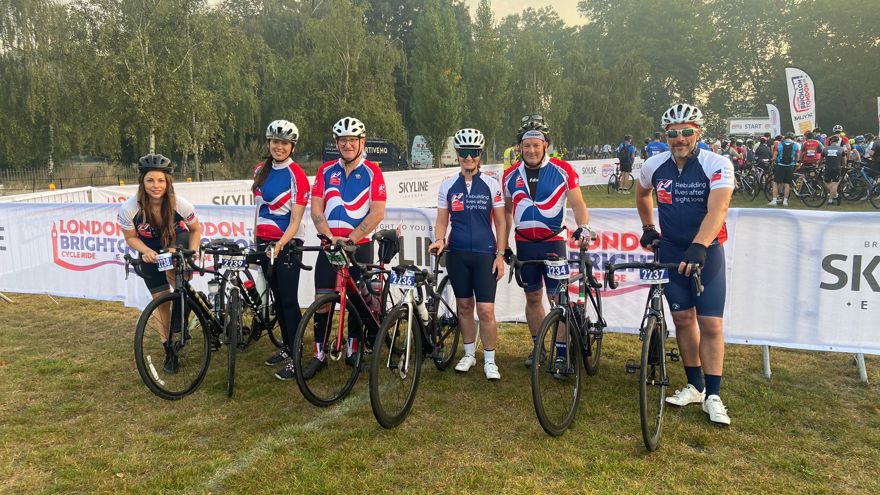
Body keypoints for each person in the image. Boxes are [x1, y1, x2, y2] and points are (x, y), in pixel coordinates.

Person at [636, 103, 734, 426]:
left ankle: (714, 395)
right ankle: (694, 385)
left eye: (686, 132)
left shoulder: (716, 164)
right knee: (681, 319)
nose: (680, 138)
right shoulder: (654, 165)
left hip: (706, 252)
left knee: (710, 324)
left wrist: (699, 246)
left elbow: (717, 210)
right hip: (672, 250)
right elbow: (642, 195)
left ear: (698, 133)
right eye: (673, 133)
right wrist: (649, 228)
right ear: (666, 136)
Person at [502, 121, 593, 369]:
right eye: (526, 146)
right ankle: (539, 347)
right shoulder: (509, 175)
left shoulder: (562, 170)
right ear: (520, 147)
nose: (531, 150)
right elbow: (507, 213)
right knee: (533, 297)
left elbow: (577, 203)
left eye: (536, 145)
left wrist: (583, 226)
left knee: (558, 299)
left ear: (546, 146)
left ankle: (562, 353)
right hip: (525, 245)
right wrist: (504, 246)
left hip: (553, 243)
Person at [306, 116, 386, 378]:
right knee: (323, 301)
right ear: (336, 143)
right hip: (330, 246)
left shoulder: (373, 171)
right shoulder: (326, 171)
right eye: (343, 140)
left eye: (353, 139)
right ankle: (320, 354)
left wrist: (351, 239)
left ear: (362, 142)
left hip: (358, 246)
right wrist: (329, 236)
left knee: (356, 300)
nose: (348, 144)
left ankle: (353, 350)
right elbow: (316, 208)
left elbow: (377, 213)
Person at [429, 128, 507, 380]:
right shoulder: (448, 185)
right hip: (458, 254)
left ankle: (490, 360)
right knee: (464, 306)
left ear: (480, 154)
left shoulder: (492, 185)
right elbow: (442, 220)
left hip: (485, 254)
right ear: (458, 154)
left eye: (473, 152)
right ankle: (469, 354)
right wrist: (440, 239)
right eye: (464, 152)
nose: (469, 158)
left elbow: (501, 223)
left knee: (485, 310)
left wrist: (500, 254)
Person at [119, 154, 202, 374]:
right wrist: (145, 251)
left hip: (176, 241)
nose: (156, 186)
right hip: (149, 247)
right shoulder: (129, 208)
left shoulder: (179, 204)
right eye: (150, 180)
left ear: (168, 182)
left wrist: (192, 255)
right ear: (142, 182)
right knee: (161, 301)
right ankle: (169, 350)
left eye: (161, 181)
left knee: (180, 283)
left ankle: (180, 323)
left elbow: (195, 229)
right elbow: (130, 237)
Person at [253, 120, 311, 380]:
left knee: (288, 301)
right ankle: (287, 347)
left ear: (292, 147)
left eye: (284, 143)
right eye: (275, 142)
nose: (279, 146)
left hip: (287, 244)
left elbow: (296, 220)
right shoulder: (260, 170)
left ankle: (297, 355)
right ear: (269, 143)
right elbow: (258, 211)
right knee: (276, 297)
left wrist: (281, 243)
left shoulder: (296, 175)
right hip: (264, 243)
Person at [768, 132, 800, 206]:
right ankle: (785, 201)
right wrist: (796, 162)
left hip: (780, 165)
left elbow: (775, 156)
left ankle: (774, 200)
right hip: (790, 166)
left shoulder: (780, 145)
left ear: (785, 138)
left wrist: (773, 161)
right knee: (787, 184)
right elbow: (797, 156)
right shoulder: (795, 145)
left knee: (775, 183)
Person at [822, 135, 847, 206]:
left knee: (826, 182)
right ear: (837, 141)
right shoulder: (841, 149)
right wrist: (844, 166)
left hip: (827, 168)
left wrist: (818, 164)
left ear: (830, 141)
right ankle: (835, 196)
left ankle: (832, 199)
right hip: (837, 168)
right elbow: (844, 159)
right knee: (835, 184)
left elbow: (821, 158)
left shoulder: (825, 149)